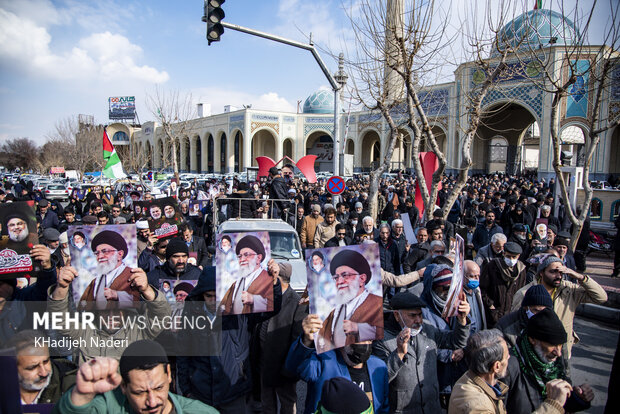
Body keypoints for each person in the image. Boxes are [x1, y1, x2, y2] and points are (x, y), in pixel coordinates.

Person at [53, 340, 218, 413]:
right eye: (140, 392)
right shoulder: (109, 407)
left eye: (158, 388)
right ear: (123, 387)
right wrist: (81, 396)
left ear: (169, 375)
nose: (152, 402)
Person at [372, 291, 471, 414]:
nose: (418, 320)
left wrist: (462, 320)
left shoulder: (428, 330)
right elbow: (381, 378)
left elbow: (456, 341)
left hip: (432, 408)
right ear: (397, 316)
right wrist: (399, 354)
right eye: (413, 316)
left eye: (420, 315)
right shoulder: (382, 340)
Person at [285, 314, 389, 414]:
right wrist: (306, 340)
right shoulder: (324, 361)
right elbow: (294, 367)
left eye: (368, 339)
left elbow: (382, 407)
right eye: (357, 338)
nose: (365, 344)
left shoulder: (379, 366)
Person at [511, 255, 607, 358]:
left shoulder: (569, 290)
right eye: (553, 272)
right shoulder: (525, 293)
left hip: (561, 351)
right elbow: (514, 323)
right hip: (534, 349)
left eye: (561, 272)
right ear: (541, 273)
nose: (558, 276)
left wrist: (580, 277)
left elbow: (601, 297)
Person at [505, 308, 595, 414]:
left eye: (560, 345)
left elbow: (562, 405)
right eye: (552, 345)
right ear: (532, 339)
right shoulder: (508, 366)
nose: (558, 353)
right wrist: (552, 405)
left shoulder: (556, 363)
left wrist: (578, 397)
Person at [254, 262, 305, 414]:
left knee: (287, 404)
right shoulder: (264, 296)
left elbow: (297, 340)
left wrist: (289, 369)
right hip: (264, 363)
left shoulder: (296, 302)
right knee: (266, 404)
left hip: (284, 368)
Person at [316, 249, 383, 352]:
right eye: (336, 278)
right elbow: (321, 338)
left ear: (362, 279)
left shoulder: (377, 304)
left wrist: (358, 328)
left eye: (345, 275)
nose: (340, 281)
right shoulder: (334, 312)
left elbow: (382, 332)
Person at [5, 330, 77, 405]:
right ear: (13, 369)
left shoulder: (72, 387)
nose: (44, 373)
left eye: (46, 362)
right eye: (32, 367)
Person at [449, 330, 511, 414]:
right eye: (506, 356)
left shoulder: (470, 378)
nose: (509, 357)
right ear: (496, 366)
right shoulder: (479, 407)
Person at [80, 230, 141, 308]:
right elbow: (83, 304)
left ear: (120, 254)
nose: (100, 256)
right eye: (97, 253)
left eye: (105, 251)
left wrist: (117, 295)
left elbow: (141, 303)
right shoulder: (95, 282)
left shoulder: (133, 275)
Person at [220, 234, 273, 314]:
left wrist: (254, 299)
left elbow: (274, 305)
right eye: (240, 256)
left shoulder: (269, 280)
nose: (242, 259)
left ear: (258, 258)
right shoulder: (236, 283)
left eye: (246, 255)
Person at [480, 241, 527, 326]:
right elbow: (482, 288)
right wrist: (490, 305)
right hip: (494, 313)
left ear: (518, 256)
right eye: (508, 256)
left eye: (514, 257)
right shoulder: (492, 266)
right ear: (504, 253)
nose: (511, 260)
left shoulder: (521, 270)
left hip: (512, 313)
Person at [496, 284, 553, 349]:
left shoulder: (554, 325)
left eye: (545, 311)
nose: (541, 315)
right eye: (536, 310)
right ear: (526, 308)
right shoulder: (505, 326)